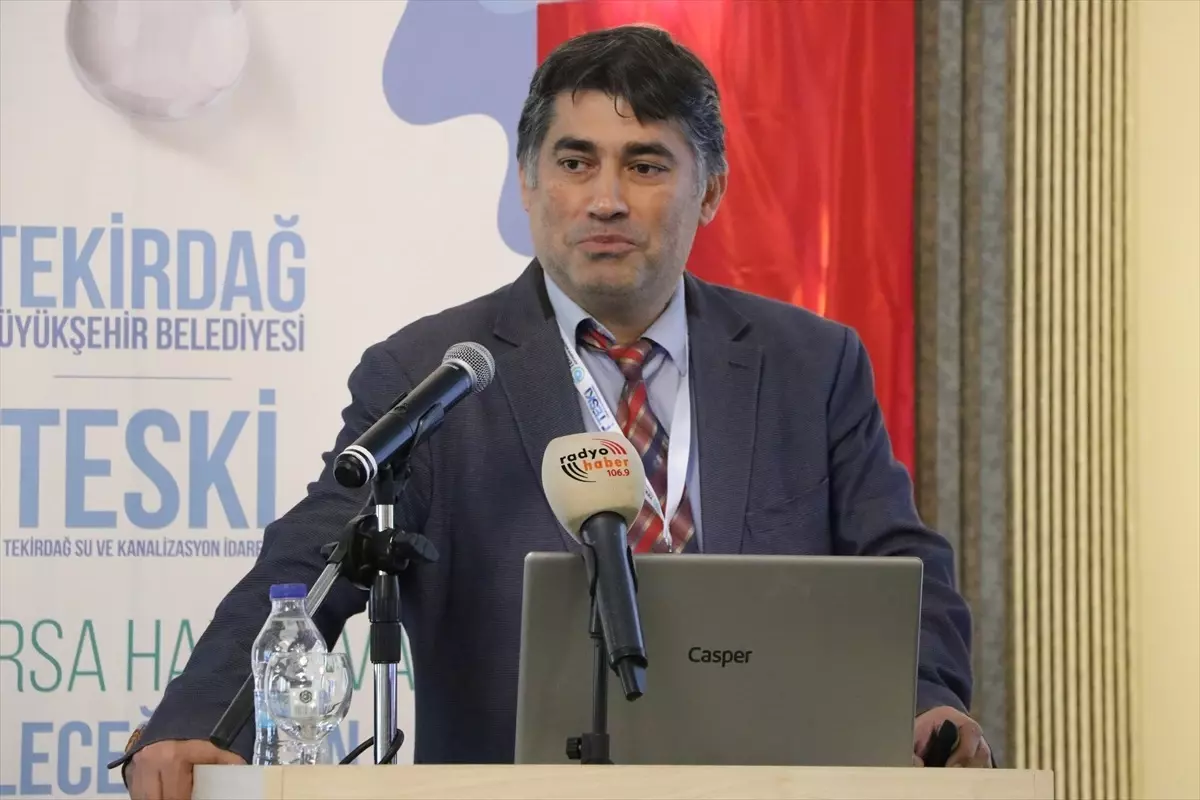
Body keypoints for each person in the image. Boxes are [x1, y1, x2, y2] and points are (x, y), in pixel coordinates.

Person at [117, 23, 992, 800]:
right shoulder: (430, 376)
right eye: (575, 163)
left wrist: (929, 703)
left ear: (711, 191)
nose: (606, 198)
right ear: (529, 184)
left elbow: (902, 564)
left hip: (767, 787)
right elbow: (312, 559)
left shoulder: (809, 364)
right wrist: (197, 722)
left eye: (645, 165)